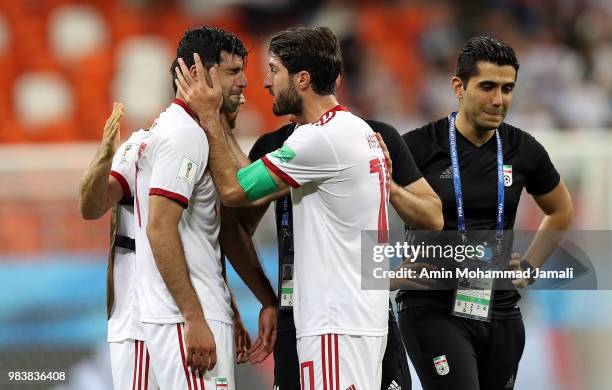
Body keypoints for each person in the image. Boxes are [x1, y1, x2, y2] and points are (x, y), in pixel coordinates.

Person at [175, 25, 440, 390]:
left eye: (274, 70)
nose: (265, 82)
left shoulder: (319, 140)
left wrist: (209, 116)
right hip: (359, 320)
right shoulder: (356, 129)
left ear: (302, 79)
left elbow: (234, 190)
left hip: (334, 325)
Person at [396, 36, 573, 390]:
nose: (499, 100)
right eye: (488, 86)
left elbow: (560, 210)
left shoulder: (523, 149)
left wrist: (529, 266)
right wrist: (386, 274)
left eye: (508, 89)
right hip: (432, 306)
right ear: (458, 87)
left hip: (500, 307)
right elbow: (361, 208)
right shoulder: (417, 146)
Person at [131, 26, 277, 389]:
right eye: (232, 72)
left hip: (198, 311)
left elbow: (209, 233)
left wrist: (226, 308)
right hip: (186, 319)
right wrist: (195, 317)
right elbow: (160, 228)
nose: (245, 82)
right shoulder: (184, 135)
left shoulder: (194, 131)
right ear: (196, 73)